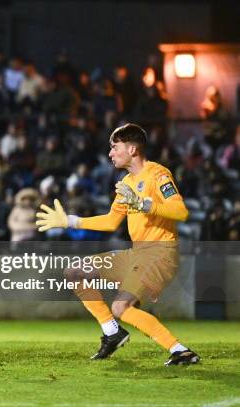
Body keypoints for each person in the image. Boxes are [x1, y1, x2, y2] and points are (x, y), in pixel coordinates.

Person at [36, 123, 200, 366]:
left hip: (160, 253)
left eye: (114, 147)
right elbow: (112, 221)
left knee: (121, 306)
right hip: (137, 254)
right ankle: (112, 332)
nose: (111, 153)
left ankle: (181, 351)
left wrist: (144, 204)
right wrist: (70, 221)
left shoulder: (158, 174)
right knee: (75, 271)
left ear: (132, 149)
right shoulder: (127, 183)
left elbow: (181, 211)